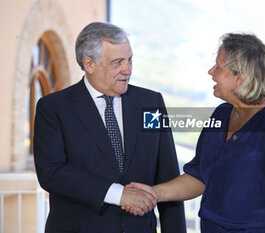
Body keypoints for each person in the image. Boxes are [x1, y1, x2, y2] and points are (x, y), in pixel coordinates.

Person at [127, 33, 265, 233]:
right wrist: (153, 193)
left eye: (219, 67)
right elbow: (200, 176)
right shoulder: (222, 115)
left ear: (239, 77)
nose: (211, 72)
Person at [33, 22, 186, 233]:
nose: (128, 70)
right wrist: (117, 194)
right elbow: (52, 172)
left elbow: (168, 176)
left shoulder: (151, 103)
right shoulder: (54, 108)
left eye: (130, 60)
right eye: (118, 62)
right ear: (89, 64)